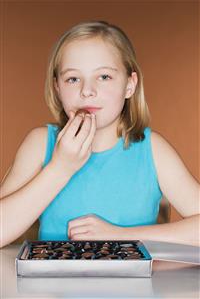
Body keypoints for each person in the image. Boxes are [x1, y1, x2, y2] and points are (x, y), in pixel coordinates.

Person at [0, 21, 199, 248]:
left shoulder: (152, 149)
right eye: (73, 79)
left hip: (134, 284)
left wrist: (119, 235)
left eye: (104, 77)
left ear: (129, 85)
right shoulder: (39, 143)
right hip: (53, 284)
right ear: (57, 88)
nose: (87, 91)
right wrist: (60, 168)